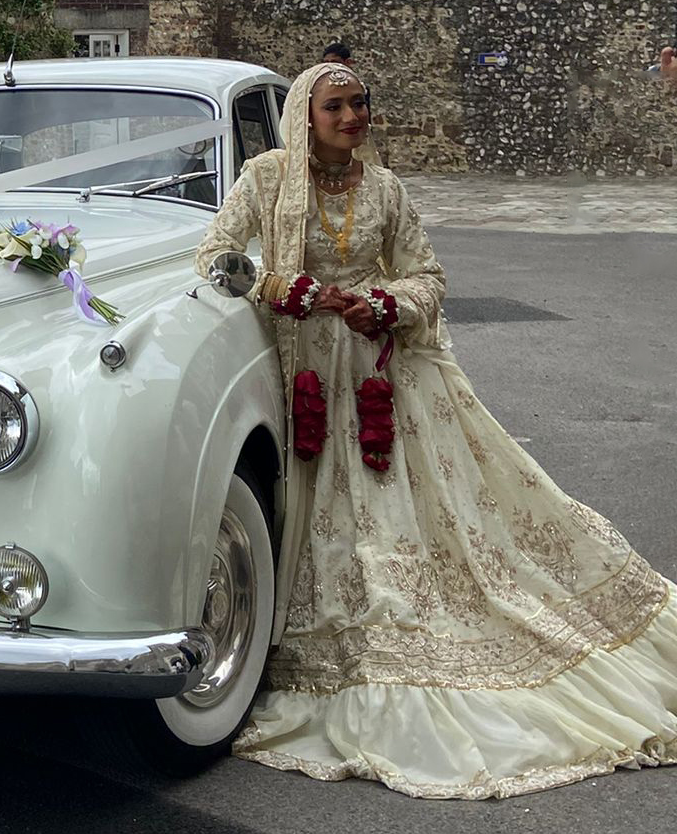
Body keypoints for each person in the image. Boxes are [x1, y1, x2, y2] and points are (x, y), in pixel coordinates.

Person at [195, 61, 677, 799]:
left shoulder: (385, 188)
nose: (354, 116)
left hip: (385, 379)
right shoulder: (265, 178)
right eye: (338, 107)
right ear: (305, 116)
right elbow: (218, 258)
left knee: (418, 524)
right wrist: (283, 287)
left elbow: (427, 276)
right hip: (306, 377)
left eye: (361, 104)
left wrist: (383, 303)